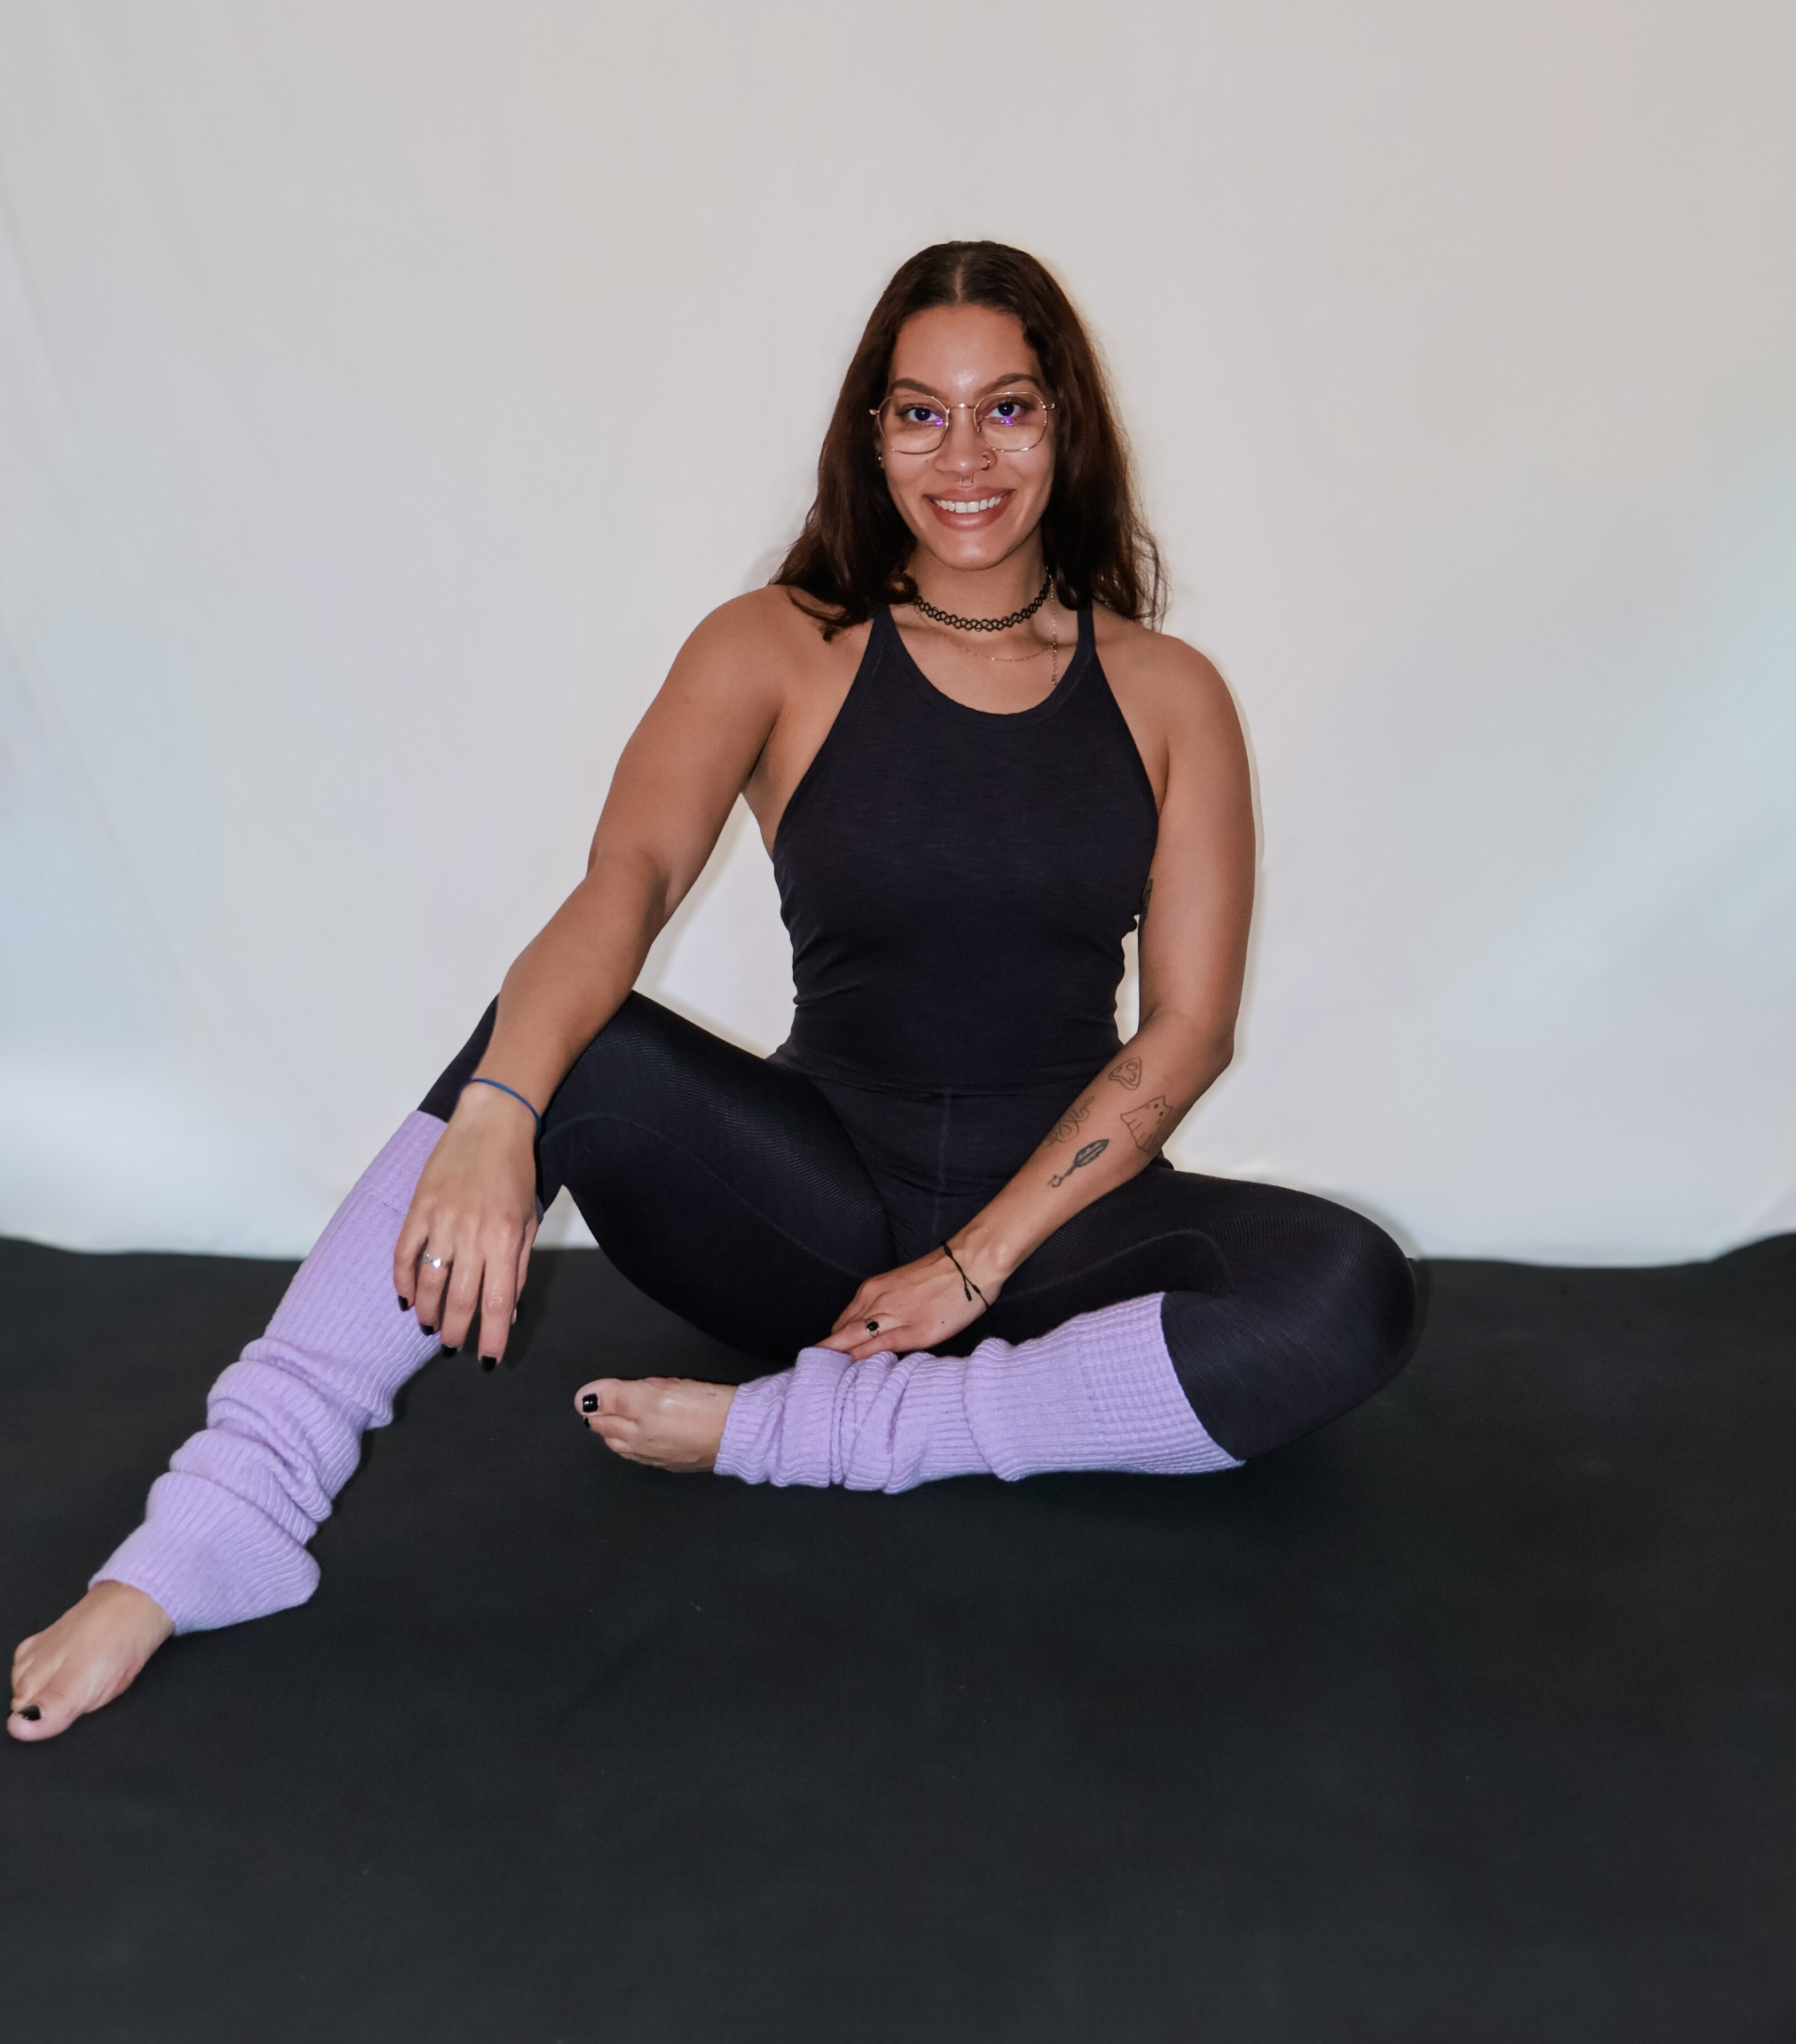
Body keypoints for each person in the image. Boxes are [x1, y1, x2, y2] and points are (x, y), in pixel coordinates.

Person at [10, 241, 1418, 1743]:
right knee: (575, 1047)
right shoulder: (776, 647)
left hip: (1050, 1233)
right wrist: (500, 1110)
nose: (965, 457)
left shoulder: (1170, 692)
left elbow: (1186, 1032)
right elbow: (619, 886)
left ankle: (813, 1433)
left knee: (1348, 1290)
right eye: (919, 413)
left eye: (1007, 409)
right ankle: (219, 1520)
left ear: (1067, 427)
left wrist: (979, 1262)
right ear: (869, 437)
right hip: (809, 1219)